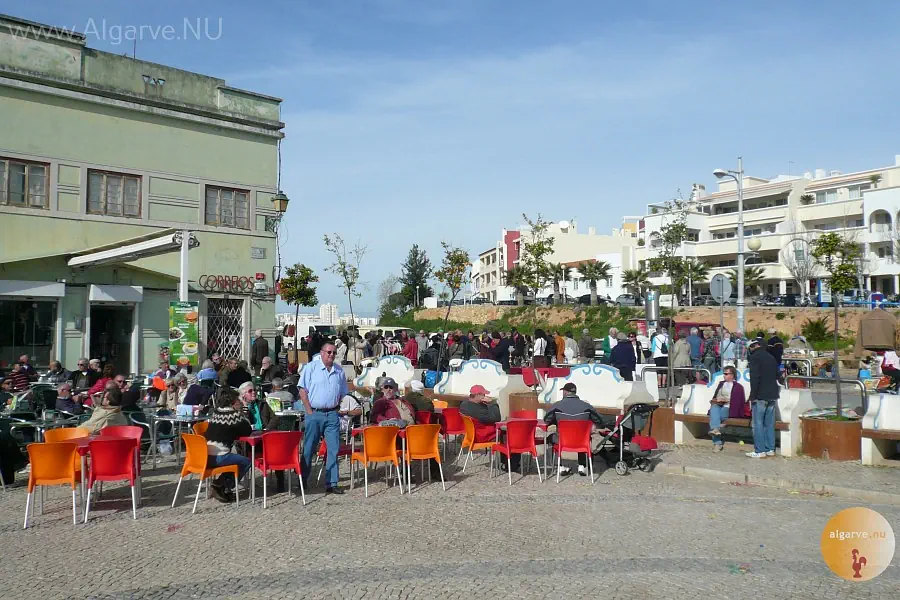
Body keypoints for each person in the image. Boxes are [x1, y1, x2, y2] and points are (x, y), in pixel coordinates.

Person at [299, 341, 348, 494]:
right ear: (321, 353)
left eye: (334, 352)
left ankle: (331, 483)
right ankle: (303, 479)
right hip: (315, 413)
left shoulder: (339, 371)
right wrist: (309, 412)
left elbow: (342, 392)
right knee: (309, 448)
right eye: (329, 352)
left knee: (333, 449)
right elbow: (302, 390)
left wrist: (337, 407)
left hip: (332, 414)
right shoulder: (311, 368)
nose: (332, 355)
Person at [544, 382, 611, 476]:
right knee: (583, 435)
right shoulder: (586, 406)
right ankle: (583, 466)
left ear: (565, 392)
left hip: (562, 440)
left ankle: (559, 467)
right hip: (582, 441)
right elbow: (600, 421)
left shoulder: (557, 405)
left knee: (550, 438)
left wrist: (557, 420)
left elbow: (546, 420)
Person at [204, 388, 253, 502]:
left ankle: (223, 487)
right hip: (220, 456)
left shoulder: (216, 412)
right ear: (232, 402)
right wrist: (242, 414)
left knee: (236, 460)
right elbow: (247, 431)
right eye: (237, 400)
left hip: (205, 455)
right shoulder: (234, 415)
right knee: (246, 462)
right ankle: (222, 484)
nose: (239, 401)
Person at [459, 384, 520, 471]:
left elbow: (485, 415)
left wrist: (484, 404)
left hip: (473, 434)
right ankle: (511, 465)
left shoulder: (464, 405)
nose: (485, 396)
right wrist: (492, 403)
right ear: (477, 395)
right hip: (484, 435)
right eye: (483, 394)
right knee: (511, 435)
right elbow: (496, 418)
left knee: (505, 433)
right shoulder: (478, 410)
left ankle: (505, 461)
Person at [747, 338, 780, 458]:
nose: (749, 350)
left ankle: (760, 450)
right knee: (769, 424)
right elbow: (778, 375)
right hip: (773, 395)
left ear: (755, 346)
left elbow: (755, 378)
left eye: (750, 347)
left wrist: (753, 396)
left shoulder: (755, 358)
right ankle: (770, 449)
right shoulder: (771, 357)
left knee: (758, 424)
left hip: (760, 395)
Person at [708, 366, 746, 452]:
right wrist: (716, 400)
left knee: (714, 418)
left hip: (728, 407)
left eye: (726, 374)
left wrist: (726, 400)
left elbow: (738, 402)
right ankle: (716, 432)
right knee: (714, 409)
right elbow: (715, 395)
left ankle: (717, 442)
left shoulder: (738, 387)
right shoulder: (721, 384)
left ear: (732, 375)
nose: (724, 376)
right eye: (723, 374)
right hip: (718, 405)